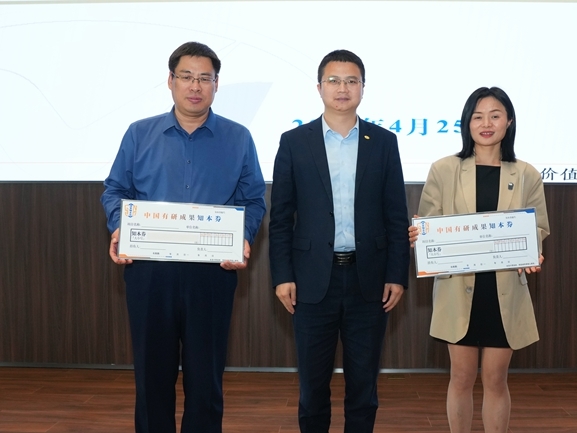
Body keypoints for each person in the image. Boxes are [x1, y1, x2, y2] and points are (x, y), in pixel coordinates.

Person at [100, 41, 266, 433]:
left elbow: (252, 199)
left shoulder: (238, 137)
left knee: (206, 377)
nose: (195, 86)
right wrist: (119, 226)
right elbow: (115, 189)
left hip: (212, 272)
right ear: (171, 81)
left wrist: (242, 236)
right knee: (152, 375)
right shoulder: (139, 134)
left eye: (205, 78)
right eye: (187, 76)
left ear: (216, 84)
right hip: (149, 272)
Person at [269, 49, 411, 433]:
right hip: (312, 281)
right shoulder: (294, 142)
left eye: (351, 81)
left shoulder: (383, 142)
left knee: (363, 388)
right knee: (312, 388)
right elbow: (280, 218)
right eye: (334, 80)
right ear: (319, 88)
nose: (342, 88)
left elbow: (396, 216)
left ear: (363, 88)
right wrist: (282, 275)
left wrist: (397, 274)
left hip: (370, 280)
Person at [409, 87, 550, 433]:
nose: (486, 124)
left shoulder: (526, 173)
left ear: (509, 121)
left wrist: (531, 251)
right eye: (478, 116)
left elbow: (538, 226)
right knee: (460, 376)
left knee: (496, 378)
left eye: (495, 115)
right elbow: (429, 222)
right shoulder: (445, 169)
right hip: (458, 288)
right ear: (467, 123)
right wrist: (420, 236)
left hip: (504, 288)